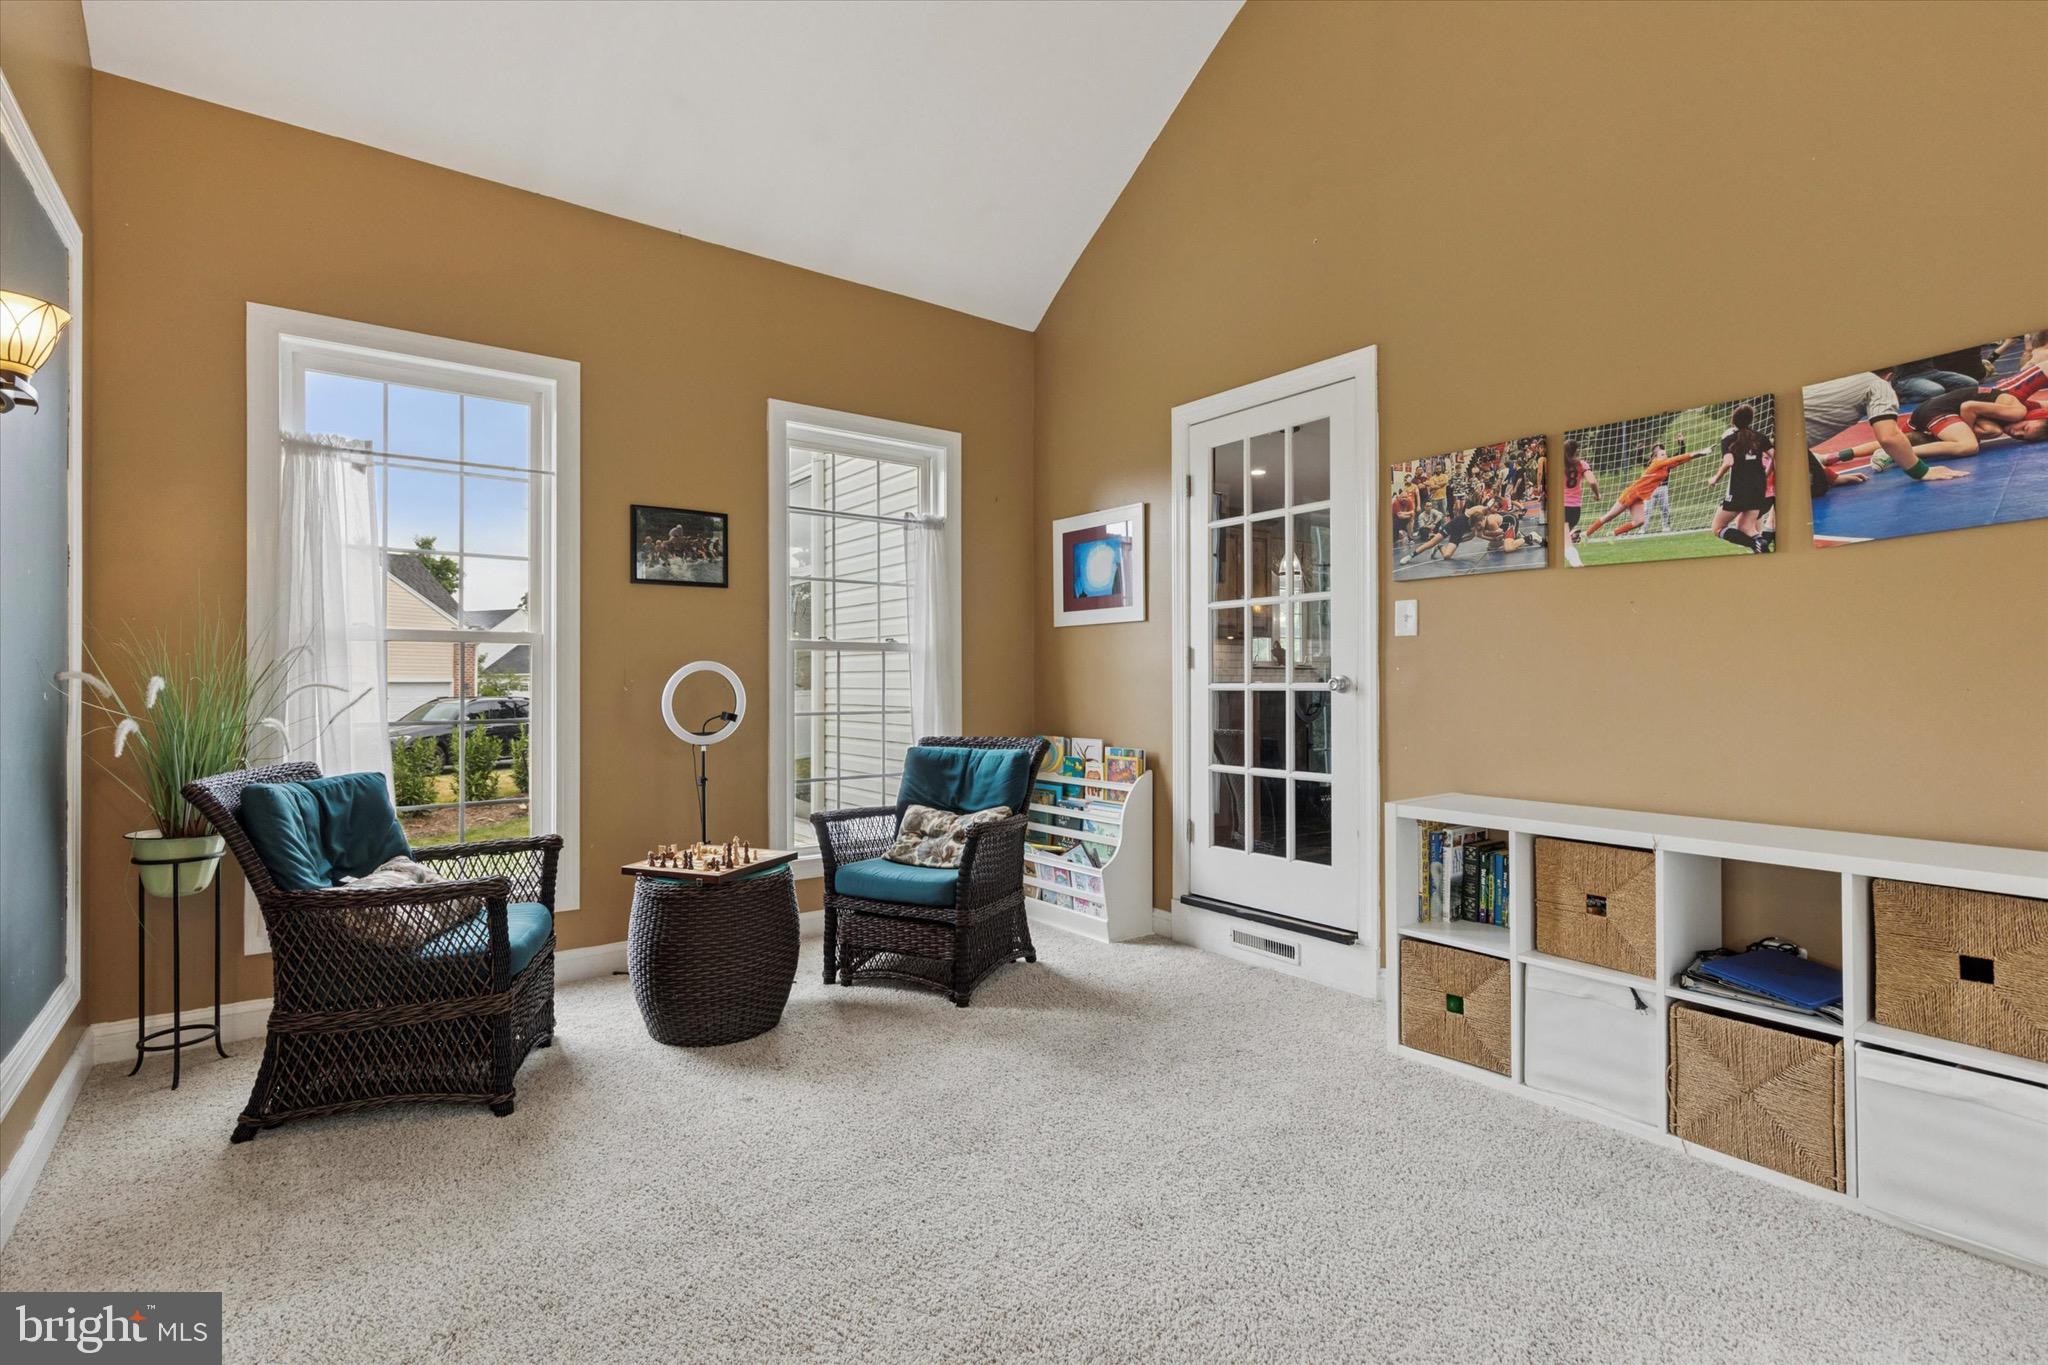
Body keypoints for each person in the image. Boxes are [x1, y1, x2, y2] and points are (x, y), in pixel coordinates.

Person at [1801, 368, 1967, 483]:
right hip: (1780, 446)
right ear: (1889, 376)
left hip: (1783, 441)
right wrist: (1922, 471)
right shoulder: (1878, 384)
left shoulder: (1830, 378)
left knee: (1820, 482)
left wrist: (1830, 478)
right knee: (1815, 487)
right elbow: (1888, 437)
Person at [1576, 446, 1701, 541]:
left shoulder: (1664, 467)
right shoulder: (1656, 463)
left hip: (1639, 497)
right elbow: (1676, 459)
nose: (1665, 455)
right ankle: (1586, 534)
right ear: (1655, 457)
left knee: (1640, 521)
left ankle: (1613, 534)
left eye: (1666, 453)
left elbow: (1678, 461)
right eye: (1662, 454)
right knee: (1609, 516)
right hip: (1632, 493)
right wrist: (1694, 453)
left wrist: (1698, 454)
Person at [1706, 403, 1773, 551]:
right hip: (1758, 487)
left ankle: (1756, 545)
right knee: (1746, 527)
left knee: (1718, 528)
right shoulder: (1760, 437)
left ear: (1733, 420)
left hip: (1739, 489)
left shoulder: (1729, 438)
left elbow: (1729, 462)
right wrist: (1767, 473)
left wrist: (1715, 478)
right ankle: (1760, 544)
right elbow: (1776, 456)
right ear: (1751, 420)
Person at [1558, 437, 1599, 537]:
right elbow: (1592, 482)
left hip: (1561, 506)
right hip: (1575, 508)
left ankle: (1571, 535)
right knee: (1564, 537)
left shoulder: (1558, 465)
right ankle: (1571, 535)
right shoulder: (1582, 465)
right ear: (1577, 451)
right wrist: (1597, 495)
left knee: (1561, 538)